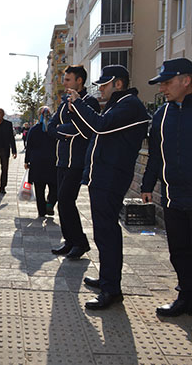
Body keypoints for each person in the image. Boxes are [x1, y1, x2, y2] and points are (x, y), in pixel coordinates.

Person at [67, 65, 150, 310]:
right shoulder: (117, 105)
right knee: (103, 234)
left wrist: (80, 104)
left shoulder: (129, 105)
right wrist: (75, 110)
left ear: (119, 84)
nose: (100, 89)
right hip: (102, 177)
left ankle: (111, 289)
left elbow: (100, 127)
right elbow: (89, 131)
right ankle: (107, 279)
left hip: (111, 177)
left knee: (107, 234)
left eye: (105, 84)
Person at [141, 57, 192, 317]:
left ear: (186, 80)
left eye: (168, 83)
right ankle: (185, 297)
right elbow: (155, 156)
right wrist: (147, 185)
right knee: (179, 251)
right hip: (173, 197)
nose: (163, 89)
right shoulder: (162, 114)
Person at [48, 65, 101, 260]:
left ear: (79, 81)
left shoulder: (89, 102)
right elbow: (51, 127)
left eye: (68, 79)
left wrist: (62, 131)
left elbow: (83, 130)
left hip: (77, 161)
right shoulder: (64, 104)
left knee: (66, 201)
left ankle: (81, 242)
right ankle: (70, 240)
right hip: (62, 160)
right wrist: (65, 132)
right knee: (62, 204)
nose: (64, 83)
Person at [24, 106, 58, 217]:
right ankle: (50, 203)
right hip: (53, 162)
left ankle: (42, 211)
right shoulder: (55, 129)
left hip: (37, 163)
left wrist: (26, 161)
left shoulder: (33, 130)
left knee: (39, 189)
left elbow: (29, 147)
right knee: (55, 186)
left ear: (39, 116)